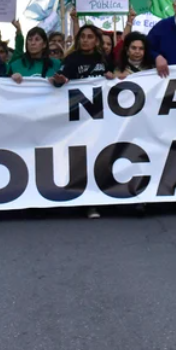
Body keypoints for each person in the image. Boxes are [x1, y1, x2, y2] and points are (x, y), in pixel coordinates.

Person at [51, 24, 112, 219]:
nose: (85, 40)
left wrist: (112, 76)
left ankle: (97, 200)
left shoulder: (104, 59)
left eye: (90, 37)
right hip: (79, 118)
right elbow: (60, 81)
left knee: (99, 156)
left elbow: (114, 77)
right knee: (82, 158)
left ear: (96, 40)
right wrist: (59, 81)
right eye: (83, 36)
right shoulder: (72, 59)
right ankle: (85, 200)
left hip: (101, 117)